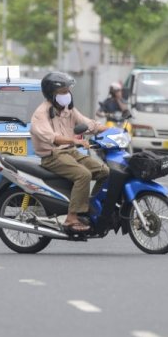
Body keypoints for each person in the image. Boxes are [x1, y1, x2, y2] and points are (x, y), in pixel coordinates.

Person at [30, 72, 108, 233]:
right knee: (83, 175)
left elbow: (89, 125)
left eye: (67, 91)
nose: (67, 95)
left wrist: (112, 131)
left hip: (70, 152)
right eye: (62, 92)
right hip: (52, 156)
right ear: (52, 94)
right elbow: (53, 138)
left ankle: (89, 207)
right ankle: (71, 217)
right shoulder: (41, 114)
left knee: (104, 171)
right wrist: (74, 140)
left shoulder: (68, 110)